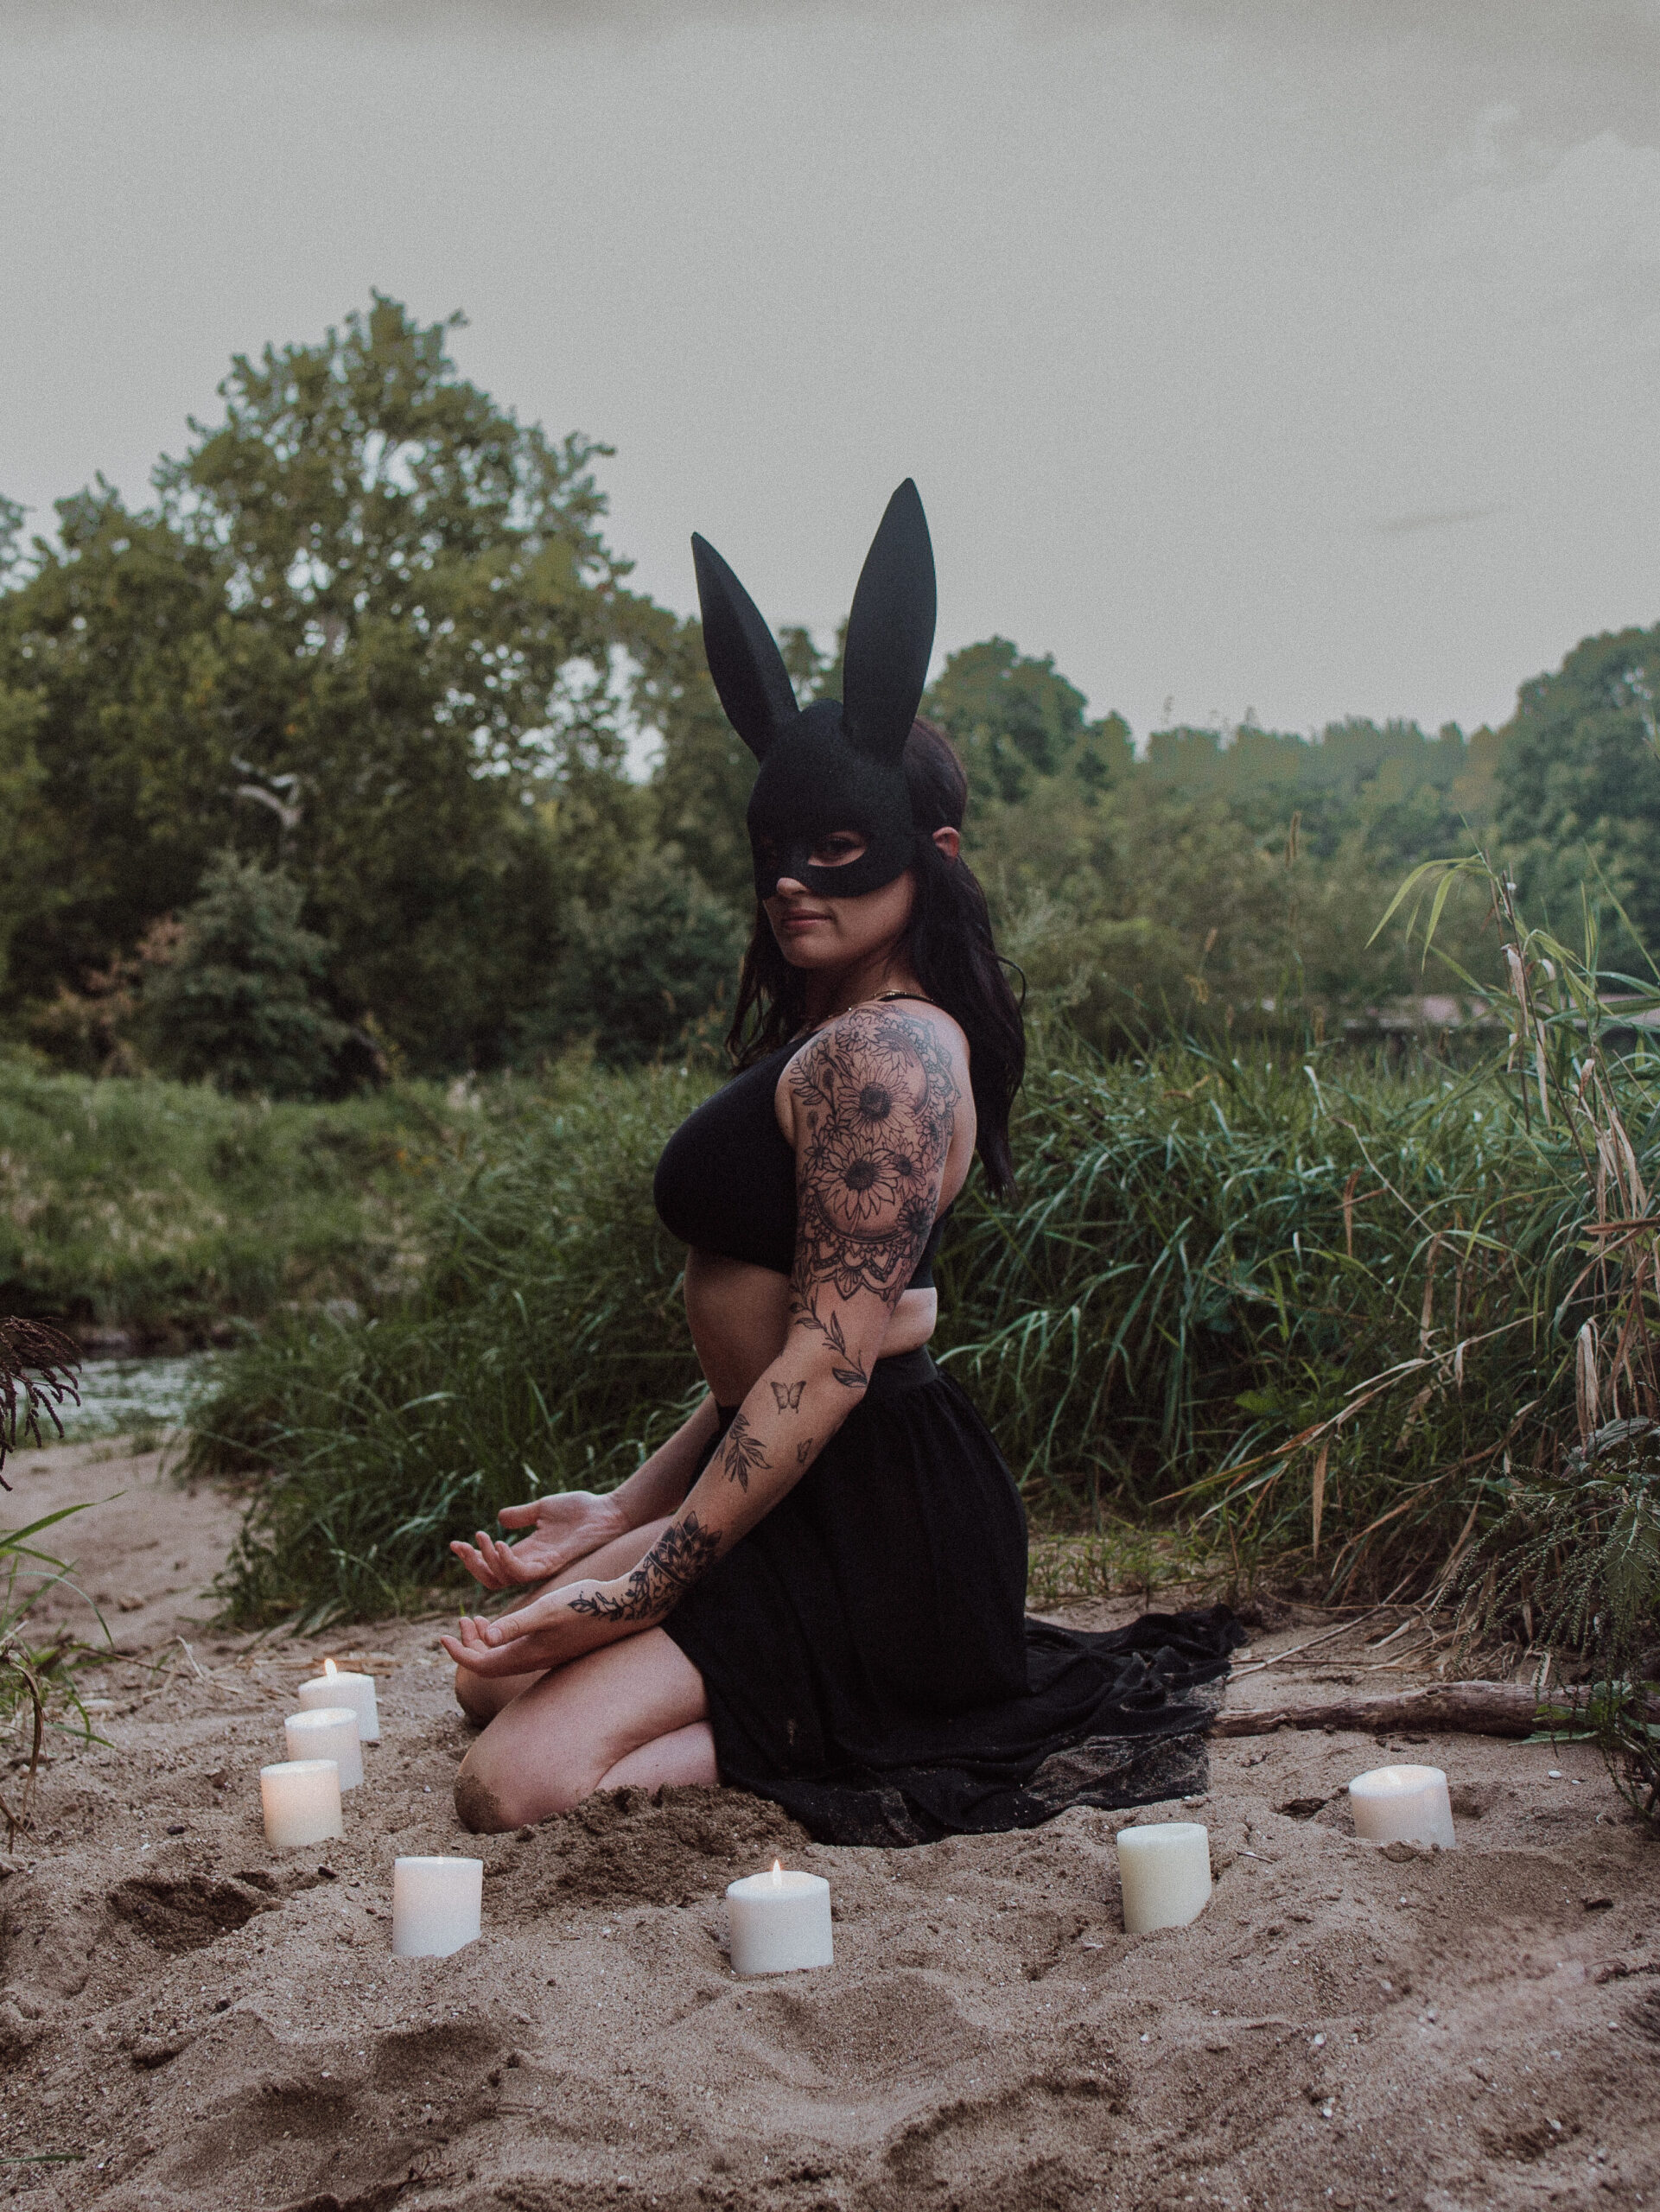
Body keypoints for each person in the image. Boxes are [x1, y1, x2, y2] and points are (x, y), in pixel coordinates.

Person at [442, 482, 1239, 1844]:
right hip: (798, 1475)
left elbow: (832, 1360)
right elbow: (806, 1341)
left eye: (838, 846)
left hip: (877, 1518)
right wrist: (621, 1515)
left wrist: (643, 1585)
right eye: (775, 851)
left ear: (926, 859)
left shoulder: (893, 1061)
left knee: (515, 1783)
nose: (795, 879)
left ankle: (860, 1705)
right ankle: (786, 1690)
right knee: (492, 1676)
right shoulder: (848, 1038)